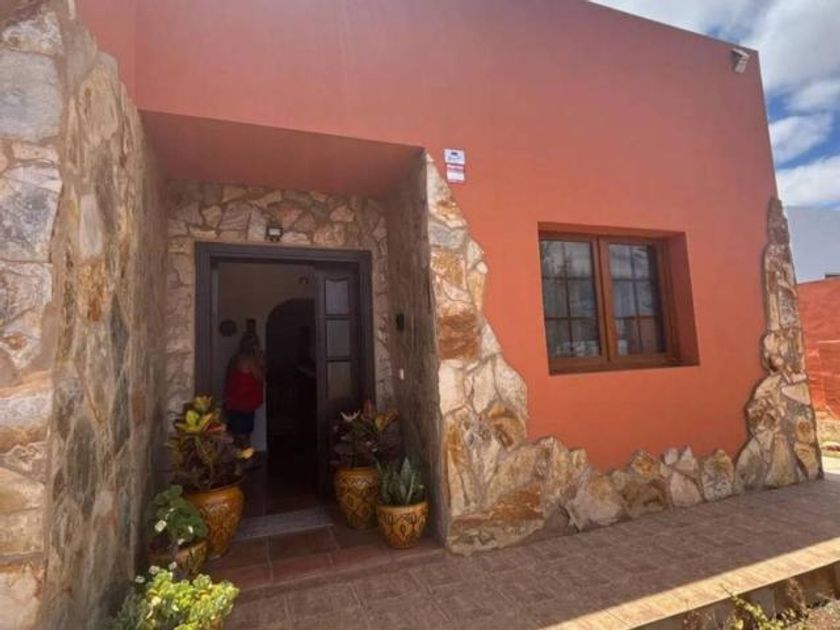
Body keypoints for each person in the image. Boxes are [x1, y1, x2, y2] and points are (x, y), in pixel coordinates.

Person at [224, 331, 265, 449]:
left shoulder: (234, 359)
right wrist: (261, 362)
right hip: (244, 403)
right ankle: (244, 458)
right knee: (243, 437)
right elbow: (260, 377)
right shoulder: (250, 360)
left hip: (234, 402)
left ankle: (239, 457)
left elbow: (228, 379)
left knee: (236, 435)